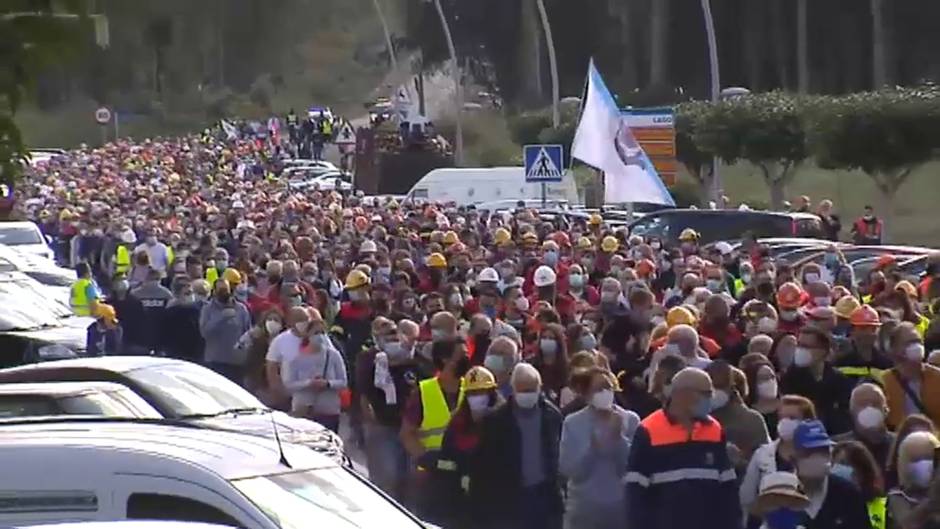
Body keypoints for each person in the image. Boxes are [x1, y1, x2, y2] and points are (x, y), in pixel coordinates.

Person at [626, 367, 741, 529]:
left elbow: (728, 489)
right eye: (706, 394)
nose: (711, 399)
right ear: (683, 395)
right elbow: (636, 492)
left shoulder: (714, 429)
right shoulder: (648, 430)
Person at [476, 363, 563, 529]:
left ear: (539, 388)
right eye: (523, 391)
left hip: (545, 496)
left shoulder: (551, 415)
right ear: (513, 388)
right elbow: (486, 464)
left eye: (531, 390)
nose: (527, 395)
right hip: (510, 498)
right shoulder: (496, 421)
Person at [559, 367, 639, 529]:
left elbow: (632, 468)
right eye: (598, 389)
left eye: (608, 387)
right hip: (584, 511)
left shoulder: (630, 420)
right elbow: (569, 470)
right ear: (587, 394)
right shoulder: (573, 422)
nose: (605, 393)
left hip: (619, 510)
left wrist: (619, 440)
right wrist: (592, 449)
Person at [430, 365, 502, 528]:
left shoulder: (502, 421)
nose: (477, 398)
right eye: (473, 394)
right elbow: (447, 455)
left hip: (494, 498)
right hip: (460, 498)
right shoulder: (457, 422)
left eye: (482, 393)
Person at [359, 317, 421, 500]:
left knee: (408, 477)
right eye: (387, 334)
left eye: (395, 333)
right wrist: (369, 418)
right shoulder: (369, 359)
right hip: (383, 424)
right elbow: (363, 391)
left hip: (407, 425)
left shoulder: (412, 360)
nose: (393, 338)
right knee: (387, 476)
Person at [740, 395, 818, 522]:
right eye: (782, 418)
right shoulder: (762, 454)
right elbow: (747, 496)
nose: (785, 422)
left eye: (792, 418)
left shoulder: (820, 455)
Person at [790, 420, 872, 529]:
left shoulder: (849, 494)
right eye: (810, 453)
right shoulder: (780, 494)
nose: (818, 458)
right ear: (794, 458)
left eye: (823, 452)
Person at [281, 308, 347, 433]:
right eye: (316, 333)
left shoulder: (333, 355)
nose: (320, 336)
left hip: (329, 411)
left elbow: (343, 381)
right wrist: (308, 383)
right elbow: (289, 384)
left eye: (323, 332)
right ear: (308, 335)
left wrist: (327, 383)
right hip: (304, 410)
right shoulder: (296, 358)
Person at [781, 327, 853, 435]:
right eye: (799, 345)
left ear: (823, 352)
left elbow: (844, 413)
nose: (800, 350)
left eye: (806, 346)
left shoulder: (838, 379)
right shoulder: (790, 377)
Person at [707, 361, 771, 469]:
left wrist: (740, 461)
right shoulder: (692, 419)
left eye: (720, 387)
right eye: (712, 387)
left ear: (731, 387)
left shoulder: (751, 420)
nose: (715, 392)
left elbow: (764, 464)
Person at [833, 383, 896, 485]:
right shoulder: (838, 447)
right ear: (851, 411)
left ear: (886, 410)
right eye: (862, 404)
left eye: (875, 404)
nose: (869, 409)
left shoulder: (900, 445)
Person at [884, 322, 940, 429]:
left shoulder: (937, 378)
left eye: (919, 342)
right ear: (894, 348)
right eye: (909, 343)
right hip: (899, 441)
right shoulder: (884, 382)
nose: (916, 346)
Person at [199, 278, 252, 384]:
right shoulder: (207, 309)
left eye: (225, 289)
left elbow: (247, 332)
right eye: (220, 289)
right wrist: (221, 317)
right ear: (214, 291)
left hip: (236, 361)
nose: (224, 292)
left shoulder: (241, 309)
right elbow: (204, 332)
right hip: (215, 360)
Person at [832, 440, 889, 529]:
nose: (838, 469)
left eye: (844, 464)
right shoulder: (828, 503)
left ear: (863, 470)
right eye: (835, 464)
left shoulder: (881, 506)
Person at [888, 432, 940, 527]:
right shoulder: (897, 497)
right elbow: (906, 524)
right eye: (917, 459)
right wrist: (931, 502)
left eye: (930, 458)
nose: (926, 465)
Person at [266, 307, 312, 411]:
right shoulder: (280, 341)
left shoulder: (317, 338)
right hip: (289, 395)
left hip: (312, 394)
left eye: (306, 319)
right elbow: (271, 367)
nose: (304, 323)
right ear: (291, 322)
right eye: (300, 320)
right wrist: (277, 391)